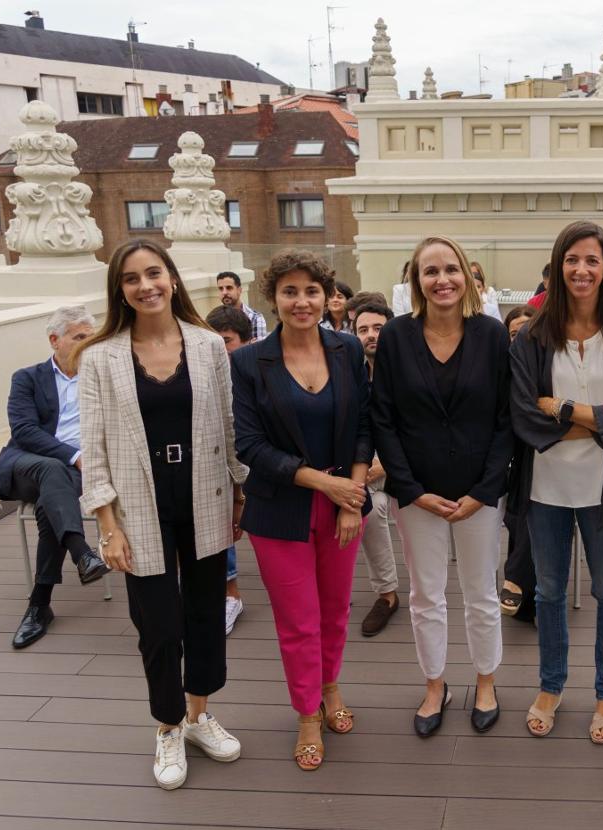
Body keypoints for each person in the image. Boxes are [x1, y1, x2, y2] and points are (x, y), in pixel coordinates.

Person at [77, 239, 246, 790]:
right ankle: (167, 724)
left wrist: (238, 489)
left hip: (203, 495)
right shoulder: (101, 356)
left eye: (154, 273)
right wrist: (107, 526)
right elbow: (94, 445)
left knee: (204, 615)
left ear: (172, 278)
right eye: (132, 278)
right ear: (119, 289)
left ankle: (198, 716)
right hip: (137, 505)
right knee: (158, 626)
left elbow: (227, 423)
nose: (145, 285)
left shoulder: (206, 346)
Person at [510, 220, 603, 745]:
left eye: (592, 260)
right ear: (557, 267)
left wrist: (564, 410)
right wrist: (597, 418)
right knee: (547, 591)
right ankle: (551, 686)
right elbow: (524, 416)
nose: (582, 270)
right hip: (545, 486)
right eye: (572, 260)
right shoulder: (532, 336)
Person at [230, 249, 370, 771]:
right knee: (298, 621)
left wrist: (351, 496)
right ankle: (307, 713)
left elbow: (364, 425)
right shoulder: (247, 362)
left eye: (311, 291)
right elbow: (249, 445)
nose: (302, 301)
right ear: (274, 299)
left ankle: (331, 687)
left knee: (335, 611)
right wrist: (325, 486)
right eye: (290, 292)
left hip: (343, 507)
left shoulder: (348, 350)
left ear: (327, 296)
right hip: (279, 510)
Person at [371, 235, 512, 738]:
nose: (442, 279)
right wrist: (409, 488)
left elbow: (505, 420)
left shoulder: (493, 336)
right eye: (430, 271)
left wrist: (485, 490)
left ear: (467, 276)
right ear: (416, 281)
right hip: (417, 493)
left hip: (480, 493)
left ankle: (486, 680)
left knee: (481, 593)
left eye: (450, 268)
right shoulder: (395, 338)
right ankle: (435, 684)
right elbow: (383, 420)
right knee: (426, 595)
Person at [0, 306, 109, 649]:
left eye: (92, 337)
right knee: (52, 469)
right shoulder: (27, 378)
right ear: (54, 340)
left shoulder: (101, 380)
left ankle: (39, 605)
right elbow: (25, 430)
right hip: (27, 464)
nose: (87, 343)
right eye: (79, 337)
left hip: (71, 476)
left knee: (50, 505)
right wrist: (75, 457)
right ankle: (81, 551)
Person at [204, 305, 255, 636]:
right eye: (213, 341)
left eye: (226, 341)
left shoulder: (255, 372)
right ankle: (223, 594)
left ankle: (230, 594)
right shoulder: (203, 374)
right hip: (220, 461)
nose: (219, 349)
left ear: (246, 342)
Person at [352, 301, 401, 637]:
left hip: (409, 468)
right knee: (367, 504)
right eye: (363, 330)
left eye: (378, 328)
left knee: (368, 502)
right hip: (367, 472)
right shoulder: (352, 377)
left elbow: (421, 431)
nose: (371, 336)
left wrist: (382, 466)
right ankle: (387, 594)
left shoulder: (409, 372)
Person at [500, 304, 539, 621]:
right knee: (521, 504)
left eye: (528, 332)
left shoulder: (549, 368)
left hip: (542, 453)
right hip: (507, 457)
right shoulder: (500, 370)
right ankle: (524, 586)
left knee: (524, 505)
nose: (521, 339)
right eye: (514, 334)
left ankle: (515, 575)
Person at [216, 271, 267, 340]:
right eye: (221, 289)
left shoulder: (255, 318)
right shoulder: (215, 318)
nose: (224, 292)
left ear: (239, 290)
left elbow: (260, 348)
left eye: (229, 288)